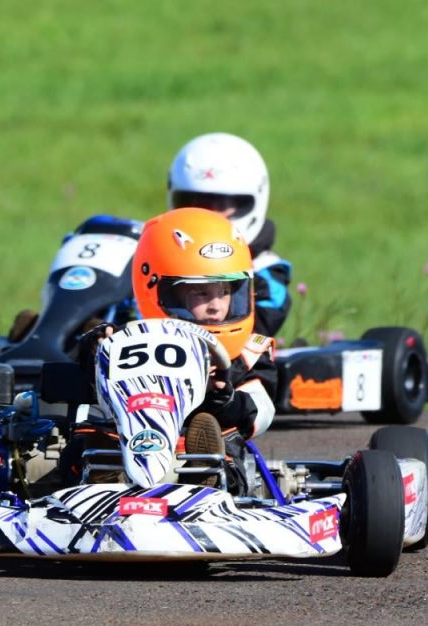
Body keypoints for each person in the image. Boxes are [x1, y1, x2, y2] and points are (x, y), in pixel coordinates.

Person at [72, 207, 276, 491]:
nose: (216, 306)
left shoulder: (249, 352)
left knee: (222, 447)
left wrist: (223, 399)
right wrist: (94, 350)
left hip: (203, 449)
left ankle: (203, 477)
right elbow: (78, 386)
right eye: (201, 292)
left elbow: (261, 412)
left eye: (225, 292)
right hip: (127, 443)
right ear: (161, 291)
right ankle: (104, 477)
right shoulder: (125, 343)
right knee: (90, 436)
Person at [167, 132, 292, 337]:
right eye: (195, 202)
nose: (208, 213)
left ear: (247, 204)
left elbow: (260, 325)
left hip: (231, 364)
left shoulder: (266, 270)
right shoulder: (159, 253)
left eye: (220, 204)